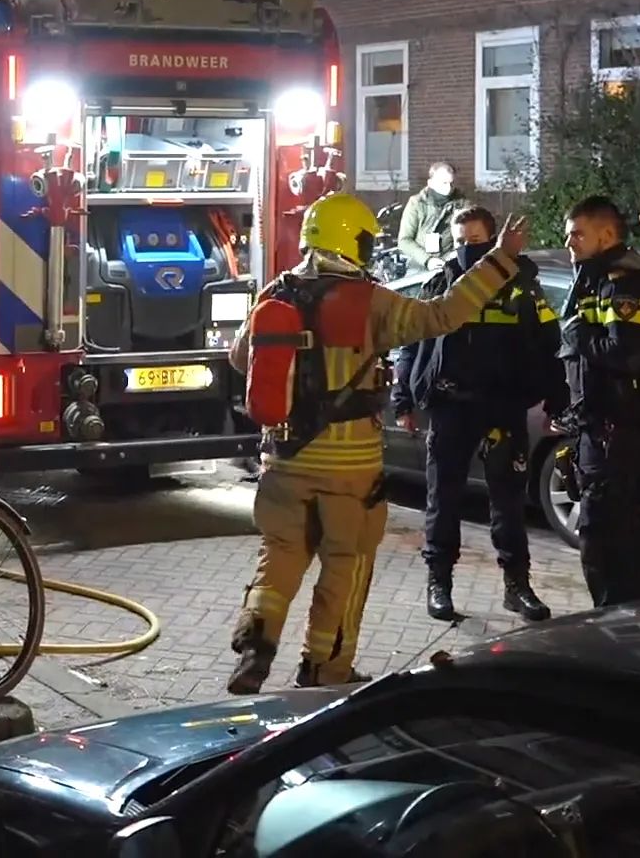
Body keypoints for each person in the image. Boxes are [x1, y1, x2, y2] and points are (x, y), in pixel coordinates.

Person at [228, 192, 526, 694]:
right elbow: (443, 315)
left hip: (282, 461)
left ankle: (257, 642)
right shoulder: (372, 301)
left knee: (279, 556)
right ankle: (325, 671)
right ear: (353, 240)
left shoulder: (275, 294)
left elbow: (242, 359)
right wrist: (500, 259)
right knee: (346, 568)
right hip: (350, 468)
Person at [392, 206, 563, 623]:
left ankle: (517, 587)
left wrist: (556, 398)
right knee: (443, 501)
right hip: (451, 408)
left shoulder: (522, 285)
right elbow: (412, 344)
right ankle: (440, 584)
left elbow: (548, 341)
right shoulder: (440, 282)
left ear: (493, 240)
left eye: (477, 241)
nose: (468, 249)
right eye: (461, 241)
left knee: (508, 503)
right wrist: (403, 399)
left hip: (503, 408)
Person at [561, 195, 640, 606]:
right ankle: (631, 616)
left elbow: (625, 355)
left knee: (605, 533)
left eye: (578, 234)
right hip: (602, 424)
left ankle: (612, 621)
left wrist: (578, 338)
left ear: (607, 234)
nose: (570, 243)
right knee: (622, 529)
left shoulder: (625, 282)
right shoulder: (595, 278)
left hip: (619, 425)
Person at [397, 161, 468, 271]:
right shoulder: (417, 203)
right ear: (430, 183)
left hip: (450, 264)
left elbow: (471, 235)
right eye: (444, 183)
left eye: (451, 183)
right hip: (420, 265)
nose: (449, 188)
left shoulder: (462, 203)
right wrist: (427, 260)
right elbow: (404, 241)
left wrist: (457, 253)